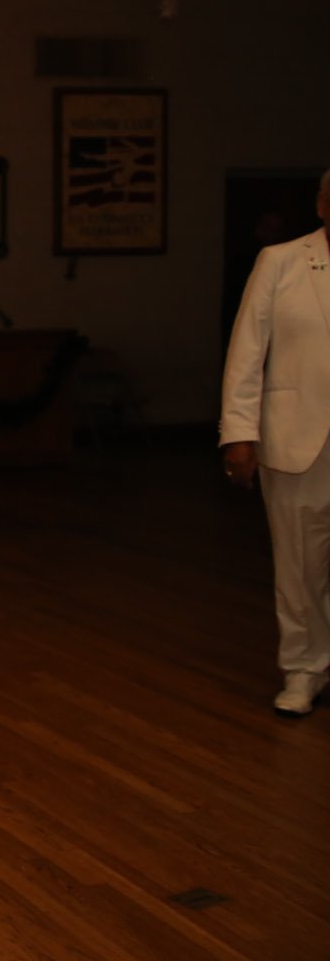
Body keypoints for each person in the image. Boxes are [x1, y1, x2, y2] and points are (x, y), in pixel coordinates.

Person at [220, 166, 330, 717]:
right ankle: (304, 668)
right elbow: (247, 351)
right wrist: (239, 433)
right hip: (297, 439)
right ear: (322, 203)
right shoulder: (281, 261)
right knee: (299, 565)